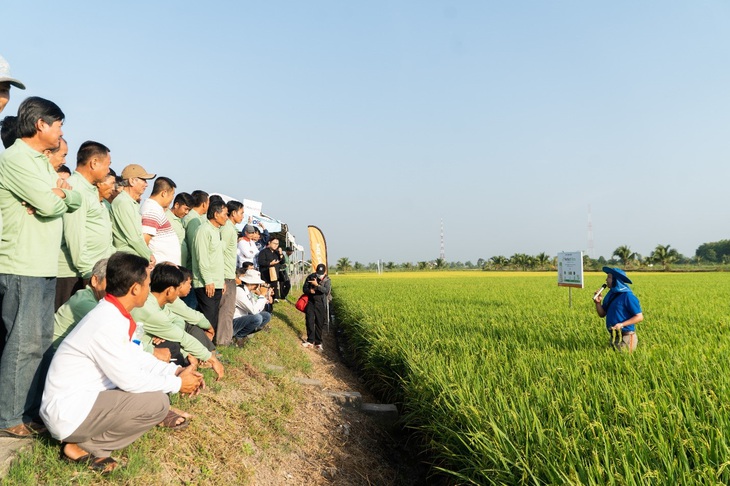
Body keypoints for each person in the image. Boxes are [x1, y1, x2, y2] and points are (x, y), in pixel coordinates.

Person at [40, 252, 205, 474]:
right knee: (157, 403)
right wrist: (177, 384)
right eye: (147, 284)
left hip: (80, 402)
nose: (149, 289)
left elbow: (135, 357)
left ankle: (84, 442)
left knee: (156, 394)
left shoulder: (111, 313)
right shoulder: (106, 321)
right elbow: (130, 379)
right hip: (68, 413)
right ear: (135, 289)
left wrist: (176, 371)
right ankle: (83, 446)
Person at [0, 97, 82, 438]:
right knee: (22, 342)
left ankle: (26, 410)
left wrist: (58, 193)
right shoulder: (17, 158)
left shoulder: (41, 161)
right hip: (23, 262)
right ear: (41, 125)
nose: (62, 131)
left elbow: (71, 198)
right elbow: (51, 204)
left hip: (43, 263)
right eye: (59, 125)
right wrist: (56, 196)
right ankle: (8, 418)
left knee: (39, 340)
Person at [131, 263, 224, 379]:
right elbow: (183, 337)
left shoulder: (158, 304)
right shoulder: (151, 311)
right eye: (178, 289)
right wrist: (211, 358)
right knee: (175, 348)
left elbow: (178, 320)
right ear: (169, 291)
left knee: (177, 344)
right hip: (139, 354)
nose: (178, 293)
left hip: (144, 347)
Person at [55, 141, 113, 310]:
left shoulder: (89, 189)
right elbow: (74, 236)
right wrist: (88, 274)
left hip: (90, 272)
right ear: (94, 163)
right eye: (108, 165)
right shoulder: (77, 188)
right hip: (74, 275)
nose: (109, 170)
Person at [191, 199, 227, 331]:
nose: (227, 218)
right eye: (225, 214)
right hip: (206, 282)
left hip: (216, 282)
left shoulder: (216, 231)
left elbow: (217, 259)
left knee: (213, 317)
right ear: (216, 214)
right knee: (208, 318)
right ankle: (205, 349)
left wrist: (221, 281)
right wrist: (208, 280)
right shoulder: (203, 230)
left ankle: (208, 347)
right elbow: (202, 258)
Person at [110, 164, 155, 260]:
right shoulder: (123, 202)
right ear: (132, 181)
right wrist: (148, 256)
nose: (146, 184)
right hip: (127, 259)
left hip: (133, 257)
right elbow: (134, 238)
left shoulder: (130, 202)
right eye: (144, 180)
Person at [593, 267, 643, 352]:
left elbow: (639, 317)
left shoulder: (628, 296)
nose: (606, 279)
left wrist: (622, 324)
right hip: (614, 337)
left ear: (616, 280)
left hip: (626, 338)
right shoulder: (610, 295)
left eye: (609, 277)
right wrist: (598, 303)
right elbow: (602, 314)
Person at [217, 200, 243, 346]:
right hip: (226, 275)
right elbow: (220, 251)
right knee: (226, 310)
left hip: (228, 273)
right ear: (233, 213)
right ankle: (223, 341)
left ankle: (225, 339)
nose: (242, 216)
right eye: (241, 213)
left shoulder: (231, 229)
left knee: (229, 309)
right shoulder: (227, 229)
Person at [141, 177, 180, 265]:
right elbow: (144, 240)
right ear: (164, 193)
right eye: (172, 194)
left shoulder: (155, 208)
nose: (172, 199)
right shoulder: (152, 210)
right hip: (161, 270)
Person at [232, 269, 273, 345]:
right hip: (235, 321)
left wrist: (264, 296)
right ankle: (238, 336)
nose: (258, 286)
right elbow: (253, 311)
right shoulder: (239, 291)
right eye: (256, 283)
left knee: (266, 316)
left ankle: (245, 334)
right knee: (257, 318)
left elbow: (258, 310)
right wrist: (261, 295)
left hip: (243, 318)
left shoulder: (248, 292)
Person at [301, 263, 331, 351]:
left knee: (319, 322)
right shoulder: (310, 277)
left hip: (321, 303)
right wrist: (309, 291)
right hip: (310, 302)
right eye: (318, 273)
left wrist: (317, 285)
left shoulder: (327, 280)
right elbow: (304, 289)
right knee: (309, 320)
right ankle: (310, 341)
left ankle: (318, 342)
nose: (319, 275)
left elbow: (326, 291)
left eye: (321, 273)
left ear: (324, 272)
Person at [166, 192, 192, 269]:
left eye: (189, 210)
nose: (187, 212)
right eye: (186, 209)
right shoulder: (166, 218)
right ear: (176, 205)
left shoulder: (179, 220)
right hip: (171, 266)